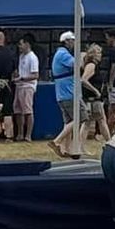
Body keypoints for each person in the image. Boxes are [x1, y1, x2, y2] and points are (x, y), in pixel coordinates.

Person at [49, 31, 83, 160]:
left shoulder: (59, 54)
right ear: (67, 41)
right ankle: (57, 141)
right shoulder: (63, 54)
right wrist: (84, 56)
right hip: (69, 92)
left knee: (68, 121)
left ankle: (66, 149)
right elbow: (77, 64)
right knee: (79, 118)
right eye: (73, 41)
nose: (74, 43)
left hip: (63, 92)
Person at [81, 43, 110, 143]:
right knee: (101, 120)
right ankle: (109, 142)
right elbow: (84, 80)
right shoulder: (91, 65)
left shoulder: (92, 65)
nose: (100, 55)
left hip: (91, 98)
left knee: (88, 123)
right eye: (98, 53)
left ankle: (80, 146)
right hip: (93, 99)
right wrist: (95, 91)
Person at [13, 35, 40, 141]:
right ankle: (20, 133)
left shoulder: (32, 57)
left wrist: (22, 78)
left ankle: (28, 135)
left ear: (27, 44)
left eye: (21, 44)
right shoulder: (21, 56)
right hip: (19, 86)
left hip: (28, 86)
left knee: (28, 110)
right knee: (18, 110)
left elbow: (35, 75)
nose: (19, 46)